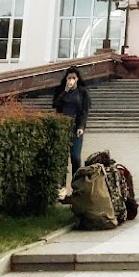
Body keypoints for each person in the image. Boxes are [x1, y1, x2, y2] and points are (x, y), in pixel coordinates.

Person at [52, 66, 90, 196]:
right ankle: (61, 188)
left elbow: (84, 112)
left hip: (75, 128)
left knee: (75, 157)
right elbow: (55, 105)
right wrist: (65, 92)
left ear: (77, 79)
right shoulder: (61, 91)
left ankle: (76, 187)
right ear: (66, 79)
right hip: (63, 127)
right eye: (69, 78)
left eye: (74, 78)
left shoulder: (82, 93)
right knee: (62, 159)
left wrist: (81, 127)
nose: (71, 80)